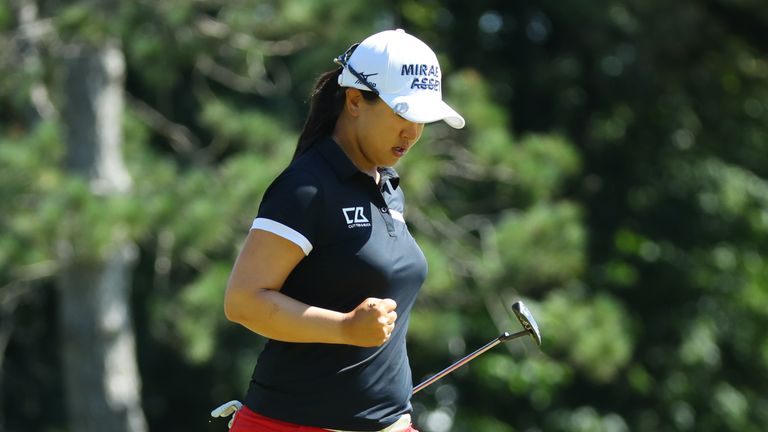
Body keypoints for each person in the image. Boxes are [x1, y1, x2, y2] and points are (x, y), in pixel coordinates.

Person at [222, 28, 465, 432]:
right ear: (355, 100)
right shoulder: (306, 187)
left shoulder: (386, 187)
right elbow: (243, 301)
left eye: (422, 119)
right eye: (403, 114)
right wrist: (346, 328)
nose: (413, 132)